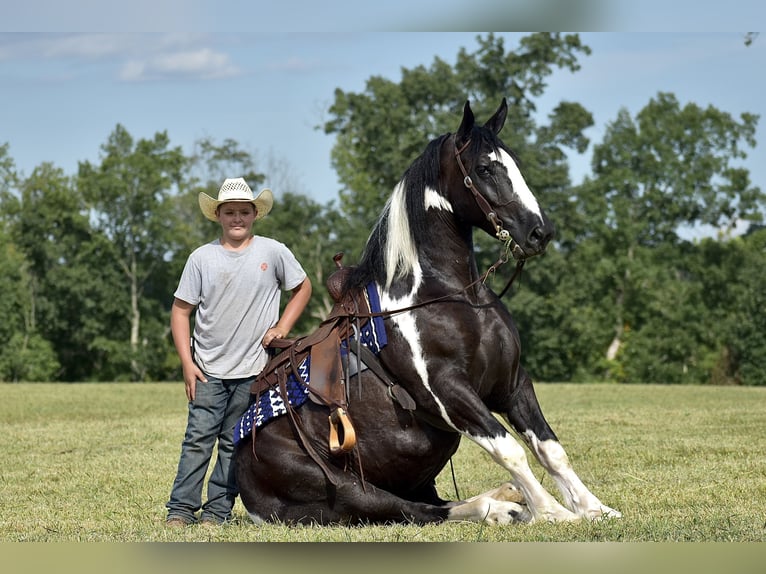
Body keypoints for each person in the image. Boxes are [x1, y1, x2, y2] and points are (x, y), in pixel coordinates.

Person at [165, 177, 312, 527]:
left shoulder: (273, 252)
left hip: (253, 371)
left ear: (254, 215)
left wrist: (282, 329)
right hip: (207, 370)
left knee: (234, 444)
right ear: (217, 214)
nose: (237, 218)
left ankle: (217, 511)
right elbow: (180, 311)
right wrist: (187, 363)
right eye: (229, 212)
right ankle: (181, 509)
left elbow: (303, 287)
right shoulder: (201, 258)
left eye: (244, 212)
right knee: (197, 441)